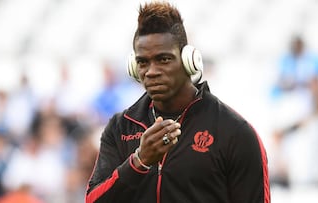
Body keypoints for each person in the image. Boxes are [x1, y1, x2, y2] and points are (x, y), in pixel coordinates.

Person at [86, 1, 270, 203]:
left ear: (189, 61)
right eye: (143, 62)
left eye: (163, 59)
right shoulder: (120, 128)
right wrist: (139, 162)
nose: (152, 71)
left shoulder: (235, 132)